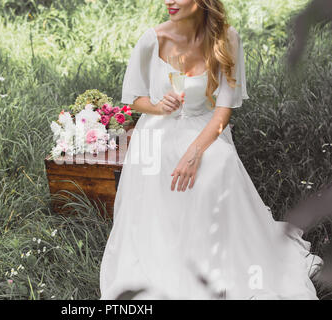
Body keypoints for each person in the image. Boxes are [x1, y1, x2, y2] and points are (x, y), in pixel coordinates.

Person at [99, 0, 323, 300]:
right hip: (156, 132)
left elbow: (222, 111)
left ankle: (218, 254)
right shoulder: (151, 40)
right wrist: (156, 106)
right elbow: (134, 99)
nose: (169, 1)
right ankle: (169, 252)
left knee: (219, 161)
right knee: (163, 165)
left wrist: (194, 153)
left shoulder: (227, 39)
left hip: (203, 129)